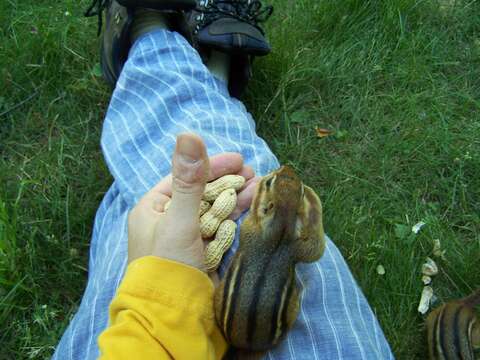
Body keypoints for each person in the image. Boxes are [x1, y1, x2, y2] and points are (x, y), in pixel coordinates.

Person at [53, 0, 395, 358]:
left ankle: (150, 30)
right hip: (275, 332)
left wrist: (158, 289)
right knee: (236, 199)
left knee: (174, 210)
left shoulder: (256, 228)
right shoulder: (294, 244)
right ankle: (214, 68)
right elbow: (310, 252)